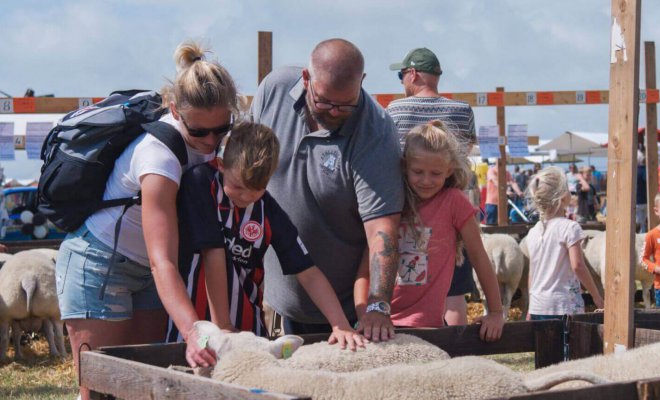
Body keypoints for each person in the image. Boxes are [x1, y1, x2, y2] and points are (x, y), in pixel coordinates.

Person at [54, 41, 239, 399]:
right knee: (98, 387)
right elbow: (162, 260)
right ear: (174, 111)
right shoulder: (159, 159)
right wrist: (192, 332)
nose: (211, 141)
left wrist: (223, 325)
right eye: (199, 132)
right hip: (102, 264)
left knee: (145, 386)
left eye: (222, 129)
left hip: (150, 273)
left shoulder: (213, 143)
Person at [250, 39, 403, 341]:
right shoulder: (274, 90)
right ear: (306, 79)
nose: (334, 112)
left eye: (346, 104)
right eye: (323, 102)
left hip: (344, 314)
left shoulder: (375, 131)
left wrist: (377, 305)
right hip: (275, 300)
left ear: (362, 83)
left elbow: (382, 232)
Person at [167, 121, 364, 349]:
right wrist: (222, 326)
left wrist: (340, 325)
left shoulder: (268, 210)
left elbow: (307, 271)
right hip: (196, 328)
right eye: (239, 186)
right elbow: (213, 252)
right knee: (192, 371)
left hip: (246, 330)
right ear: (221, 164)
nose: (247, 197)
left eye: (258, 188)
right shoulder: (200, 183)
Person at [355, 121, 503, 340]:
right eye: (418, 172)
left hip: (428, 326)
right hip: (382, 322)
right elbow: (366, 270)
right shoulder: (392, 201)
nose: (426, 180)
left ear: (449, 170)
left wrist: (496, 312)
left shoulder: (454, 203)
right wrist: (367, 315)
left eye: (435, 173)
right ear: (405, 167)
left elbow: (479, 257)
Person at [385, 47, 478, 325]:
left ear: (412, 74)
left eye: (401, 76)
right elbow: (464, 154)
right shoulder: (462, 111)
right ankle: (456, 353)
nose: (402, 82)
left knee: (406, 284)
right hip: (452, 214)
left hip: (407, 211)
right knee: (454, 291)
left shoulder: (394, 110)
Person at [525, 166, 604, 321]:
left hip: (538, 306)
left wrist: (530, 305)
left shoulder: (533, 232)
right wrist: (597, 297)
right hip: (564, 306)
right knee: (568, 345)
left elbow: (531, 273)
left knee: (544, 346)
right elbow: (578, 266)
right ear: (562, 196)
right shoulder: (570, 227)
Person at [635, 151, 648, 233]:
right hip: (645, 199)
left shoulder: (631, 171)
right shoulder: (645, 170)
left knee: (639, 220)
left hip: (636, 200)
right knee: (643, 221)